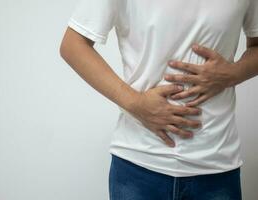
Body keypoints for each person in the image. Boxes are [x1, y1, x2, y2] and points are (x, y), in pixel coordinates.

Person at [60, 0, 258, 199]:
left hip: (217, 167)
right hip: (138, 164)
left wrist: (232, 74)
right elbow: (73, 45)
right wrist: (135, 103)